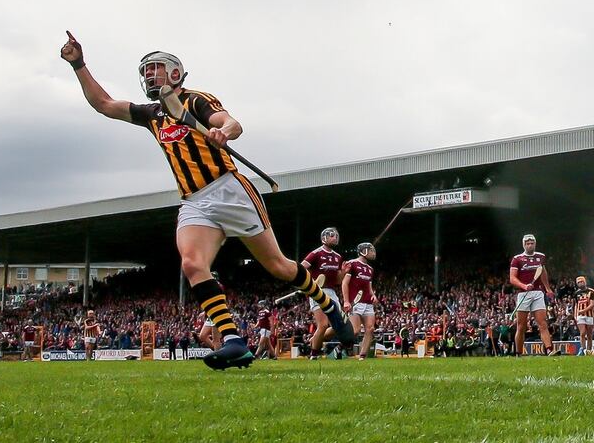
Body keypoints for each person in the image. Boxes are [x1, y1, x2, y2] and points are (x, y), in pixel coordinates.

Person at [59, 32, 354, 370]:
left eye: (155, 69)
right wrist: (78, 64)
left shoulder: (195, 100)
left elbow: (232, 122)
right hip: (195, 201)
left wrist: (222, 132)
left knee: (279, 267)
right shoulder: (152, 114)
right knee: (192, 264)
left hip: (229, 190)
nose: (149, 75)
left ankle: (327, 305)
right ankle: (233, 341)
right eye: (145, 71)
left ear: (174, 73)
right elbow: (104, 104)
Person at [300, 228, 345, 359]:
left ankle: (313, 341)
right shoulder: (316, 253)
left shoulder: (338, 257)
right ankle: (314, 354)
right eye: (332, 236)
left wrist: (343, 272)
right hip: (317, 291)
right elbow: (301, 268)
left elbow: (337, 280)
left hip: (331, 291)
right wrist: (308, 283)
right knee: (323, 325)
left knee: (339, 325)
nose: (335, 238)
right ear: (324, 238)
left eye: (336, 235)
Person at [509, 234, 557, 356]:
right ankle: (518, 353)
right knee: (521, 326)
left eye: (532, 243)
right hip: (523, 294)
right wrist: (524, 286)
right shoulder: (517, 259)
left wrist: (547, 288)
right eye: (528, 243)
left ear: (535, 244)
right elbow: (512, 278)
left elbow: (542, 272)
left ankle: (549, 350)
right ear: (524, 245)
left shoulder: (540, 257)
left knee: (543, 323)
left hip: (538, 293)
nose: (530, 245)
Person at [342, 243, 378, 361]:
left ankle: (362, 356)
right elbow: (345, 283)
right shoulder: (352, 264)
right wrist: (346, 301)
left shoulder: (370, 269)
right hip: (355, 302)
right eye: (371, 250)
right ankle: (339, 347)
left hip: (367, 303)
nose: (373, 252)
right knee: (356, 331)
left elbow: (369, 286)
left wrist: (373, 296)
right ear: (363, 251)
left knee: (370, 329)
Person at [573, 276, 594, 356]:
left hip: (589, 315)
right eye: (578, 282)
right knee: (582, 333)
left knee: (589, 334)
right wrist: (575, 315)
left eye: (581, 281)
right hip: (580, 316)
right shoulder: (576, 293)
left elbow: (592, 304)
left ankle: (589, 350)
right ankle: (582, 349)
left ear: (585, 282)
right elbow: (576, 305)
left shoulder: (591, 291)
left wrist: (584, 310)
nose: (580, 283)